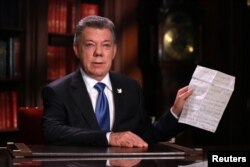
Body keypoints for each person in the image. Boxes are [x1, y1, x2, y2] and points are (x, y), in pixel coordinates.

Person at [41, 15, 193, 148]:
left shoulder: (131, 87)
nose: (99, 53)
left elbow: (146, 136)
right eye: (90, 45)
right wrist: (108, 138)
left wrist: (176, 112)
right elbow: (51, 132)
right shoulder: (57, 91)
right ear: (76, 50)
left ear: (113, 51)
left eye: (106, 45)